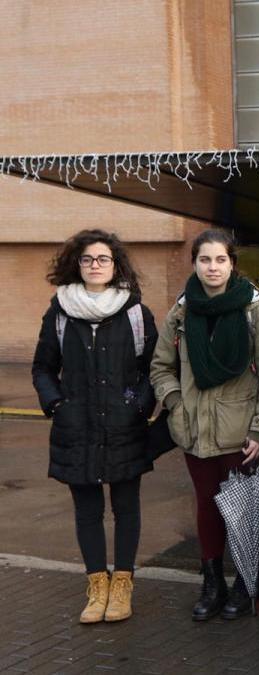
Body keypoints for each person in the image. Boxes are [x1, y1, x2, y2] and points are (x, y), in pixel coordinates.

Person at [149, 229, 259, 622]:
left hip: (240, 435)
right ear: (195, 264)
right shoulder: (182, 311)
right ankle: (212, 583)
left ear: (232, 263)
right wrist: (174, 404)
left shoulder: (254, 311)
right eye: (205, 260)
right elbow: (160, 367)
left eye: (220, 260)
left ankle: (244, 583)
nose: (212, 267)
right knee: (206, 506)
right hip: (194, 431)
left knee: (241, 511)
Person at [32, 229, 158, 624]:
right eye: (88, 259)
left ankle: (122, 585)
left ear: (115, 264)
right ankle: (96, 585)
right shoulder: (59, 312)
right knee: (87, 511)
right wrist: (56, 403)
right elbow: (43, 368)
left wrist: (138, 405)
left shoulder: (135, 312)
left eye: (103, 259)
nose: (95, 265)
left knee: (126, 508)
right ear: (77, 264)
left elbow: (153, 368)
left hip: (124, 426)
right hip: (77, 426)